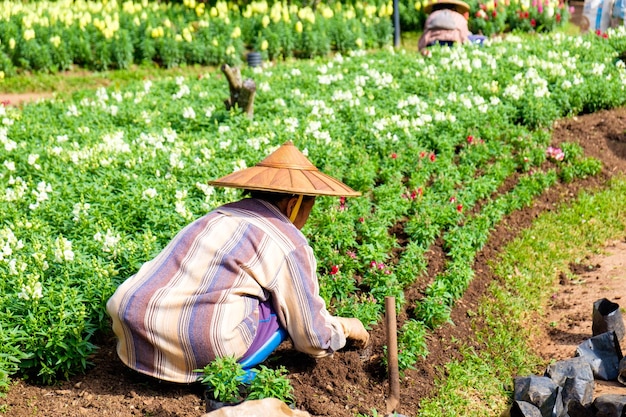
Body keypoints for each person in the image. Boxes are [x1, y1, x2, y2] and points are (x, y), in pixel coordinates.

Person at [106, 141, 370, 384]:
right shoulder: (289, 242)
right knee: (281, 307)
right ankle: (230, 376)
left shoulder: (215, 217)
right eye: (309, 207)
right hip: (200, 348)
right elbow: (312, 340)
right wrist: (344, 327)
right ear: (293, 204)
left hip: (130, 328)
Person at [418, 0, 486, 55]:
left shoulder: (431, 17)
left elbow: (425, 37)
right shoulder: (459, 17)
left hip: (432, 47)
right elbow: (465, 38)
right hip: (454, 47)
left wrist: (422, 49)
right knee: (482, 39)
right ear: (454, 7)